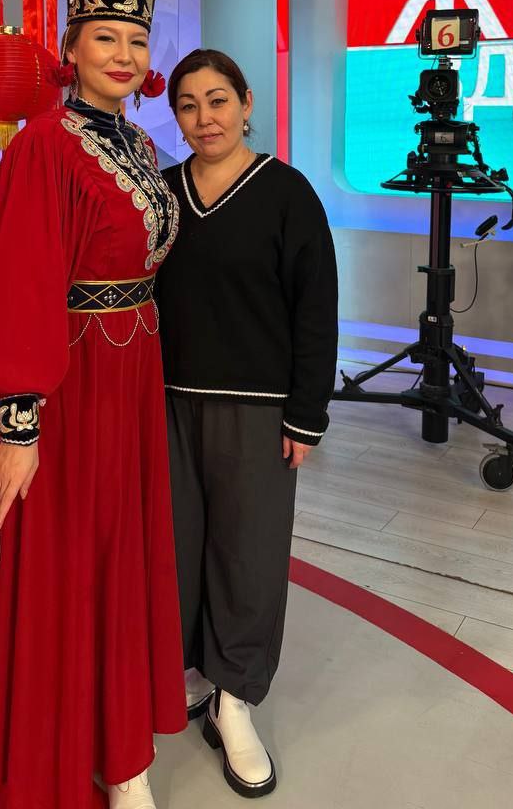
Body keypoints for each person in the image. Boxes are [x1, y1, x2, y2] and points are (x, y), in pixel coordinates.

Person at [0, 0, 185, 809]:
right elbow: (24, 282)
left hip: (134, 367)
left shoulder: (140, 145)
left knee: (122, 549)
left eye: (137, 41)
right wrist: (20, 426)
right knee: (76, 555)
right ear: (71, 49)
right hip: (74, 374)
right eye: (106, 38)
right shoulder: (43, 144)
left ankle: (119, 741)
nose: (124, 54)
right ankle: (79, 747)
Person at [153, 48, 338, 799]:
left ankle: (236, 698)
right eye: (189, 105)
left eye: (218, 100)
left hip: (257, 409)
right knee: (179, 548)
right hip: (166, 402)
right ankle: (192, 672)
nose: (205, 118)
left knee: (249, 555)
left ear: (247, 102)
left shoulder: (286, 193)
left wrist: (306, 414)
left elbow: (316, 309)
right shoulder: (162, 194)